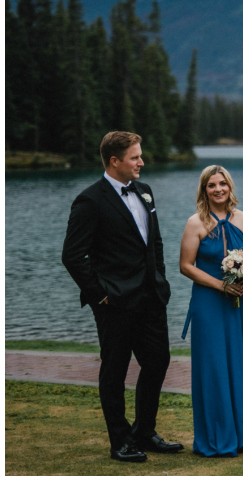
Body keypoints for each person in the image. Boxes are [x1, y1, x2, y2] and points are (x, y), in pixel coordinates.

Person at [60, 131, 182, 463]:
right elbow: (73, 256)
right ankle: (120, 441)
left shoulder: (145, 192)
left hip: (151, 297)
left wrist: (160, 279)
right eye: (135, 157)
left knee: (158, 362)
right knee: (114, 370)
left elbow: (153, 242)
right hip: (115, 303)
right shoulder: (90, 200)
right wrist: (101, 296)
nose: (142, 162)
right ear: (115, 161)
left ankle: (145, 431)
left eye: (140, 156)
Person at [178, 165, 243, 456]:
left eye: (222, 184)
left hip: (240, 302)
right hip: (209, 302)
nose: (218, 189)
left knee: (241, 364)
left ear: (230, 187)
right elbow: (185, 266)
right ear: (204, 190)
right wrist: (221, 284)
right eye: (211, 185)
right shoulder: (196, 223)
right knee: (214, 366)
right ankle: (218, 435)